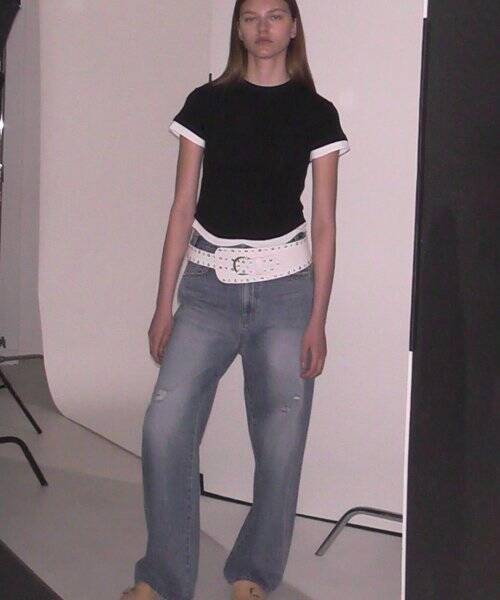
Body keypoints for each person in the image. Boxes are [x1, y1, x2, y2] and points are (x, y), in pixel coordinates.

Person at [120, 0, 349, 598]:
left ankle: (253, 573)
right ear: (238, 29)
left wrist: (318, 319)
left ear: (293, 27)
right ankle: (163, 577)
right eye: (250, 17)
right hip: (206, 291)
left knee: (280, 441)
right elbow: (181, 207)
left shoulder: (316, 112)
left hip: (286, 293)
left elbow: (325, 223)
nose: (263, 28)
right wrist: (162, 304)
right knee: (164, 426)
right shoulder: (207, 102)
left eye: (275, 16)